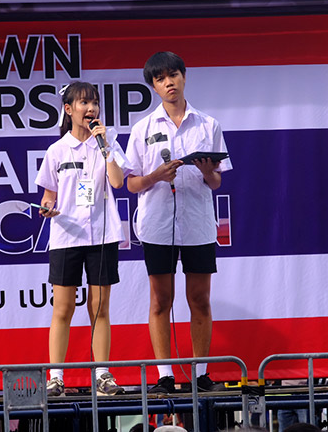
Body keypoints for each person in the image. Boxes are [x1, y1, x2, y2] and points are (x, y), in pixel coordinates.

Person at [125, 51, 232, 393]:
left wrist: (206, 171)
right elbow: (130, 183)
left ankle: (201, 373)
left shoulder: (208, 124)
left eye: (173, 75)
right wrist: (155, 175)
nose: (168, 83)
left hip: (198, 222)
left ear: (184, 76)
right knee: (161, 300)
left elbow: (216, 181)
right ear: (154, 86)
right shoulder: (142, 128)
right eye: (160, 79)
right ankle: (164, 375)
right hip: (157, 224)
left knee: (199, 299)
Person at [35, 82, 131, 397]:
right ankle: (56, 377)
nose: (90, 109)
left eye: (94, 103)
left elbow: (117, 181)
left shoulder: (109, 142)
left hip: (102, 234)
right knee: (62, 308)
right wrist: (47, 208)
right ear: (68, 108)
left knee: (99, 307)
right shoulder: (56, 150)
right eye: (83, 103)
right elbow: (49, 195)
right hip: (66, 235)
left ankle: (103, 375)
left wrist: (104, 145)